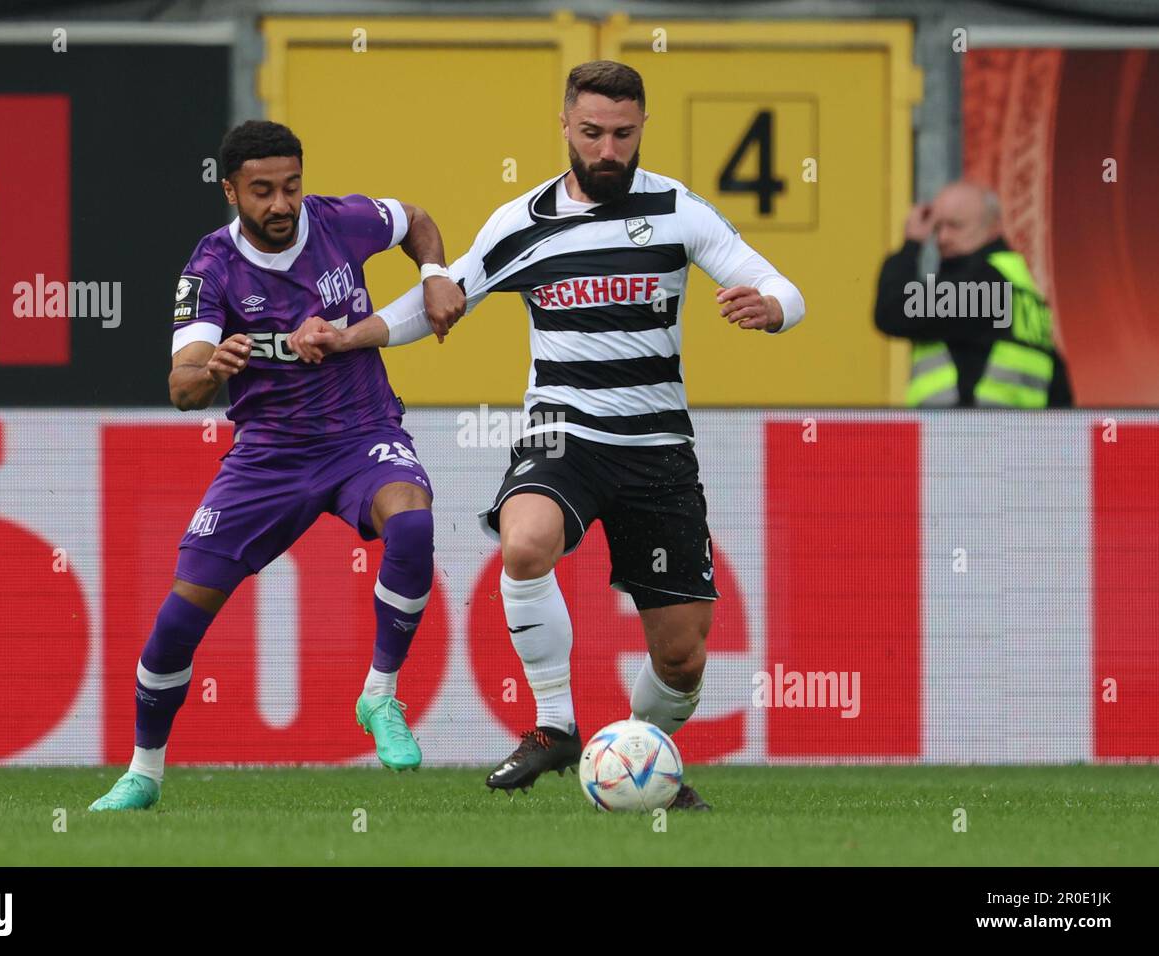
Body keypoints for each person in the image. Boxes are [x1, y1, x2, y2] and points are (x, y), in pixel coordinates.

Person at [290, 62, 805, 810]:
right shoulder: (521, 222)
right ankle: (556, 725)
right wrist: (346, 336)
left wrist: (773, 308)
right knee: (526, 542)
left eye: (622, 135)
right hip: (564, 434)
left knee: (683, 655)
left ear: (641, 129)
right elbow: (442, 299)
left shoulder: (676, 209)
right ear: (564, 125)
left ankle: (634, 762)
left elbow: (785, 287)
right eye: (592, 132)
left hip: (657, 448)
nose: (607, 150)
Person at [89, 120, 465, 812]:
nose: (280, 204)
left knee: (411, 523)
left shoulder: (340, 222)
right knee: (179, 619)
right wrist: (213, 368)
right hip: (269, 456)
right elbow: (182, 388)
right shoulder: (210, 270)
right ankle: (143, 773)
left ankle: (379, 695)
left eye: (290, 186)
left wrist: (435, 274)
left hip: (362, 432)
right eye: (261, 191)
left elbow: (415, 219)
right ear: (231, 191)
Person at [874, 180, 1072, 407]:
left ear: (994, 225)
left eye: (955, 226)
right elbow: (1059, 391)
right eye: (937, 228)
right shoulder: (1022, 291)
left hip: (968, 436)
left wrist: (912, 243)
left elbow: (892, 310)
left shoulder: (984, 289)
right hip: (1020, 438)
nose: (942, 238)